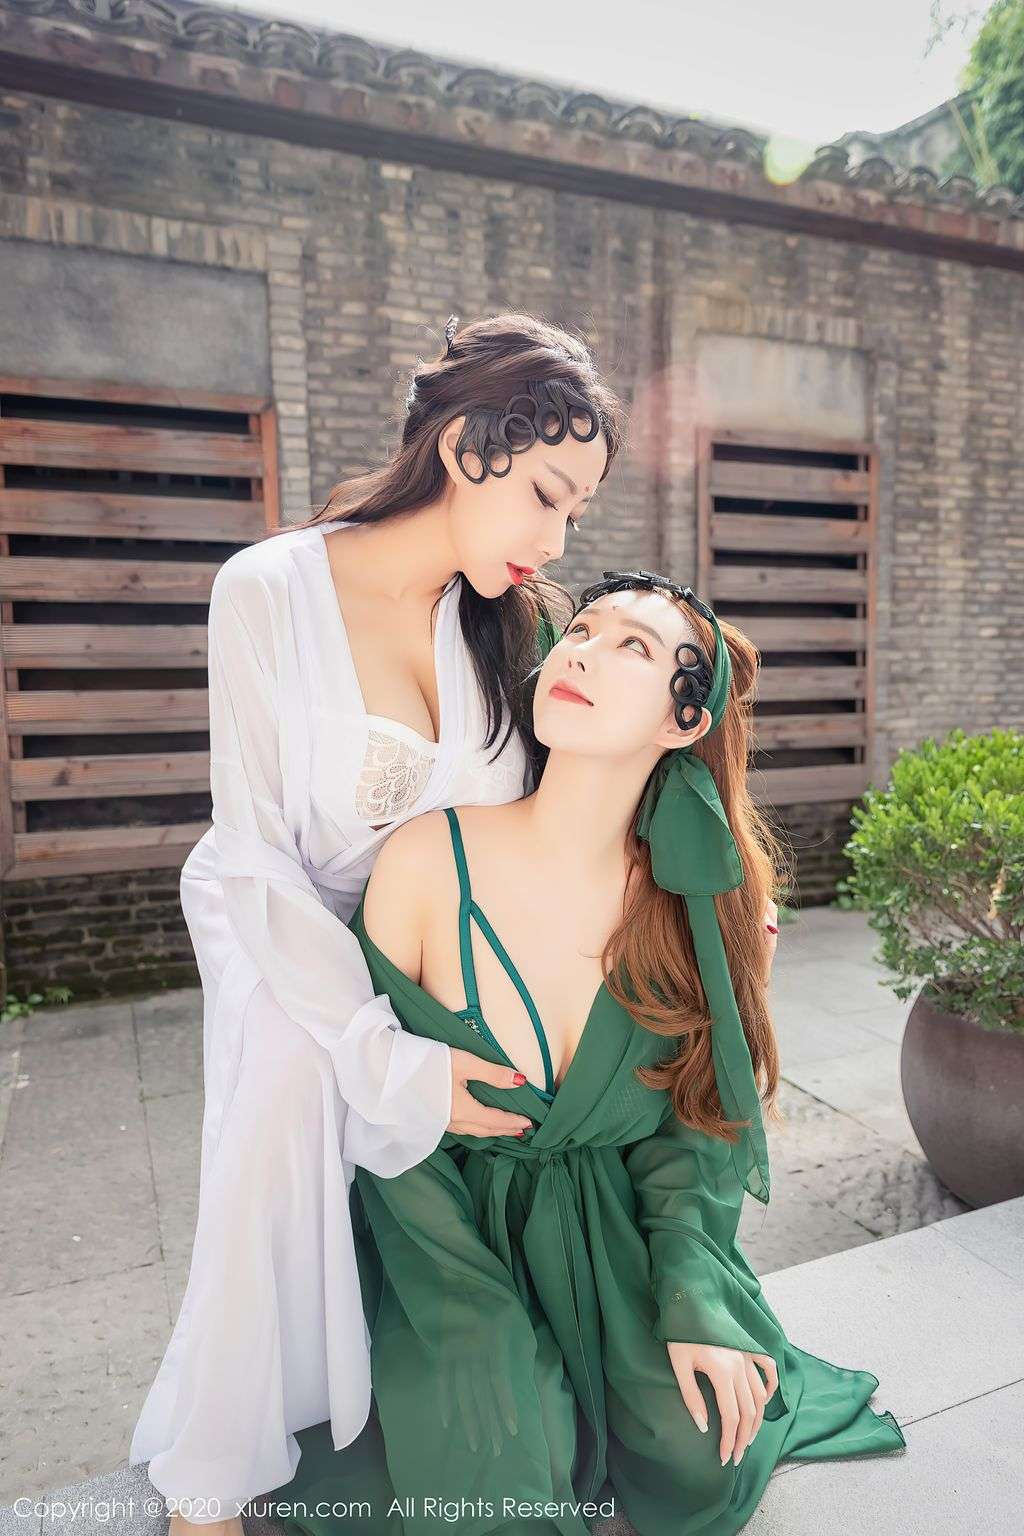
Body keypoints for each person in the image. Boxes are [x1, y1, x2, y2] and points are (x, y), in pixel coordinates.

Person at [261, 571, 907, 1536]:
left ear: (685, 722)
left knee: (699, 1457)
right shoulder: (429, 857)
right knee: (497, 1477)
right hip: (445, 1236)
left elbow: (697, 1127)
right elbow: (383, 1119)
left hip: (618, 1237)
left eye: (633, 648)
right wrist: (469, 1320)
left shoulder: (697, 903)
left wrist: (694, 1296)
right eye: (583, 633)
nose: (585, 654)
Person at [127, 313, 624, 1534]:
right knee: (288, 1081)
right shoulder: (268, 588)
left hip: (423, 949)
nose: (556, 541)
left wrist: (711, 906)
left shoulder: (502, 626)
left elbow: (592, 777)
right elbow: (255, 854)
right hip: (278, 921)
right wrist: (382, 1055)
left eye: (576, 513)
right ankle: (210, 1481)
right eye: (546, 498)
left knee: (536, 1083)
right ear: (465, 450)